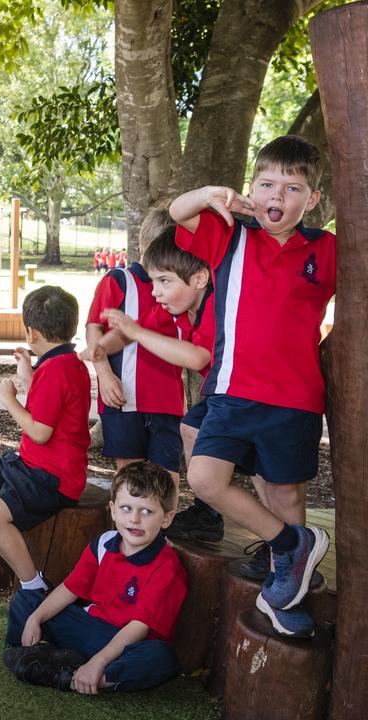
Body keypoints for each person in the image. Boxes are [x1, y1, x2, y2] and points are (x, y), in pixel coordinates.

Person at [168, 135, 334, 638]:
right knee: (204, 479)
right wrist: (211, 195)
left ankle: (289, 597)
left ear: (313, 200)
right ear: (251, 191)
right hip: (232, 392)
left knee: (286, 494)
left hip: (295, 401)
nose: (276, 196)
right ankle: (292, 545)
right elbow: (178, 212)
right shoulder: (231, 237)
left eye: (292, 187)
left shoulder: (326, 250)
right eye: (266, 184)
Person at [0, 285, 91, 611]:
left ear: (31, 332)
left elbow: (39, 431)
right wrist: (30, 377)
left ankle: (35, 589)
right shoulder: (65, 363)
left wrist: (9, 399)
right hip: (29, 464)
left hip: (52, 476)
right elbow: (50, 411)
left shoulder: (58, 370)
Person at [90, 227, 227, 544]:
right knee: (190, 430)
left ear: (198, 279)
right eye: (154, 282)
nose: (155, 292)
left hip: (248, 392)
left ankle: (201, 516)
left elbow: (195, 357)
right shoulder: (173, 307)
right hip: (212, 393)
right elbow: (127, 331)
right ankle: (191, 518)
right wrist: (101, 353)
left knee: (192, 451)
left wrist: (133, 333)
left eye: (164, 282)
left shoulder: (212, 306)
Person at [3, 461, 185, 694]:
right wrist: (35, 618)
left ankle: (69, 675)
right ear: (112, 508)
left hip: (123, 642)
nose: (134, 519)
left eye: (147, 511)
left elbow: (138, 628)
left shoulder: (166, 566)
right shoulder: (104, 543)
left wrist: (98, 662)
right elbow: (69, 589)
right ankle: (42, 653)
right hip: (87, 627)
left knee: (161, 657)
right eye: (126, 508)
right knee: (27, 601)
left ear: (167, 518)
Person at [83, 211, 184, 483]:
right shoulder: (119, 280)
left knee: (167, 474)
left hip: (167, 398)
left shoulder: (182, 288)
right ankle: (128, 524)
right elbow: (94, 326)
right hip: (123, 395)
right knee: (129, 474)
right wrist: (103, 373)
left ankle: (164, 524)